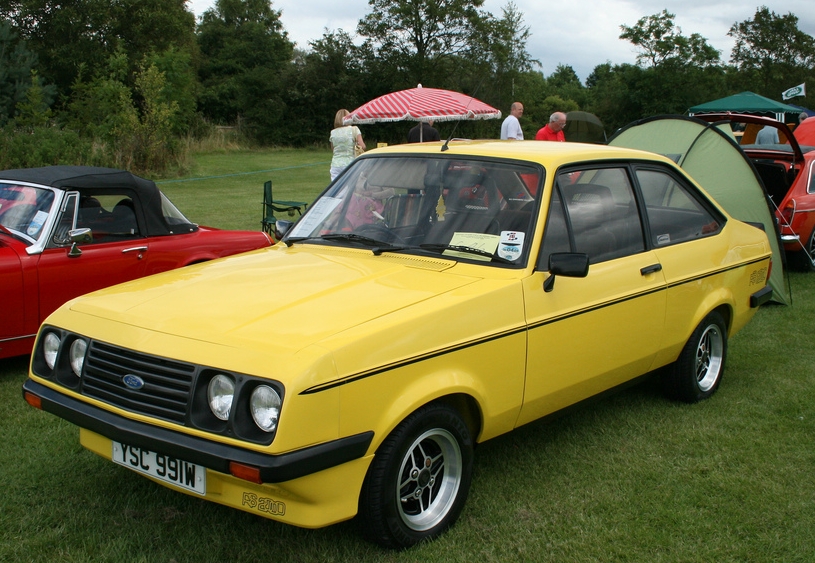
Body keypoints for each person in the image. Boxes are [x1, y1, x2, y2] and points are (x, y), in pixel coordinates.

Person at [329, 109, 365, 181]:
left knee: (337, 189)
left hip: (335, 165)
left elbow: (333, 149)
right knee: (350, 189)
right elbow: (363, 146)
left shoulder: (333, 132)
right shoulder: (354, 129)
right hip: (350, 163)